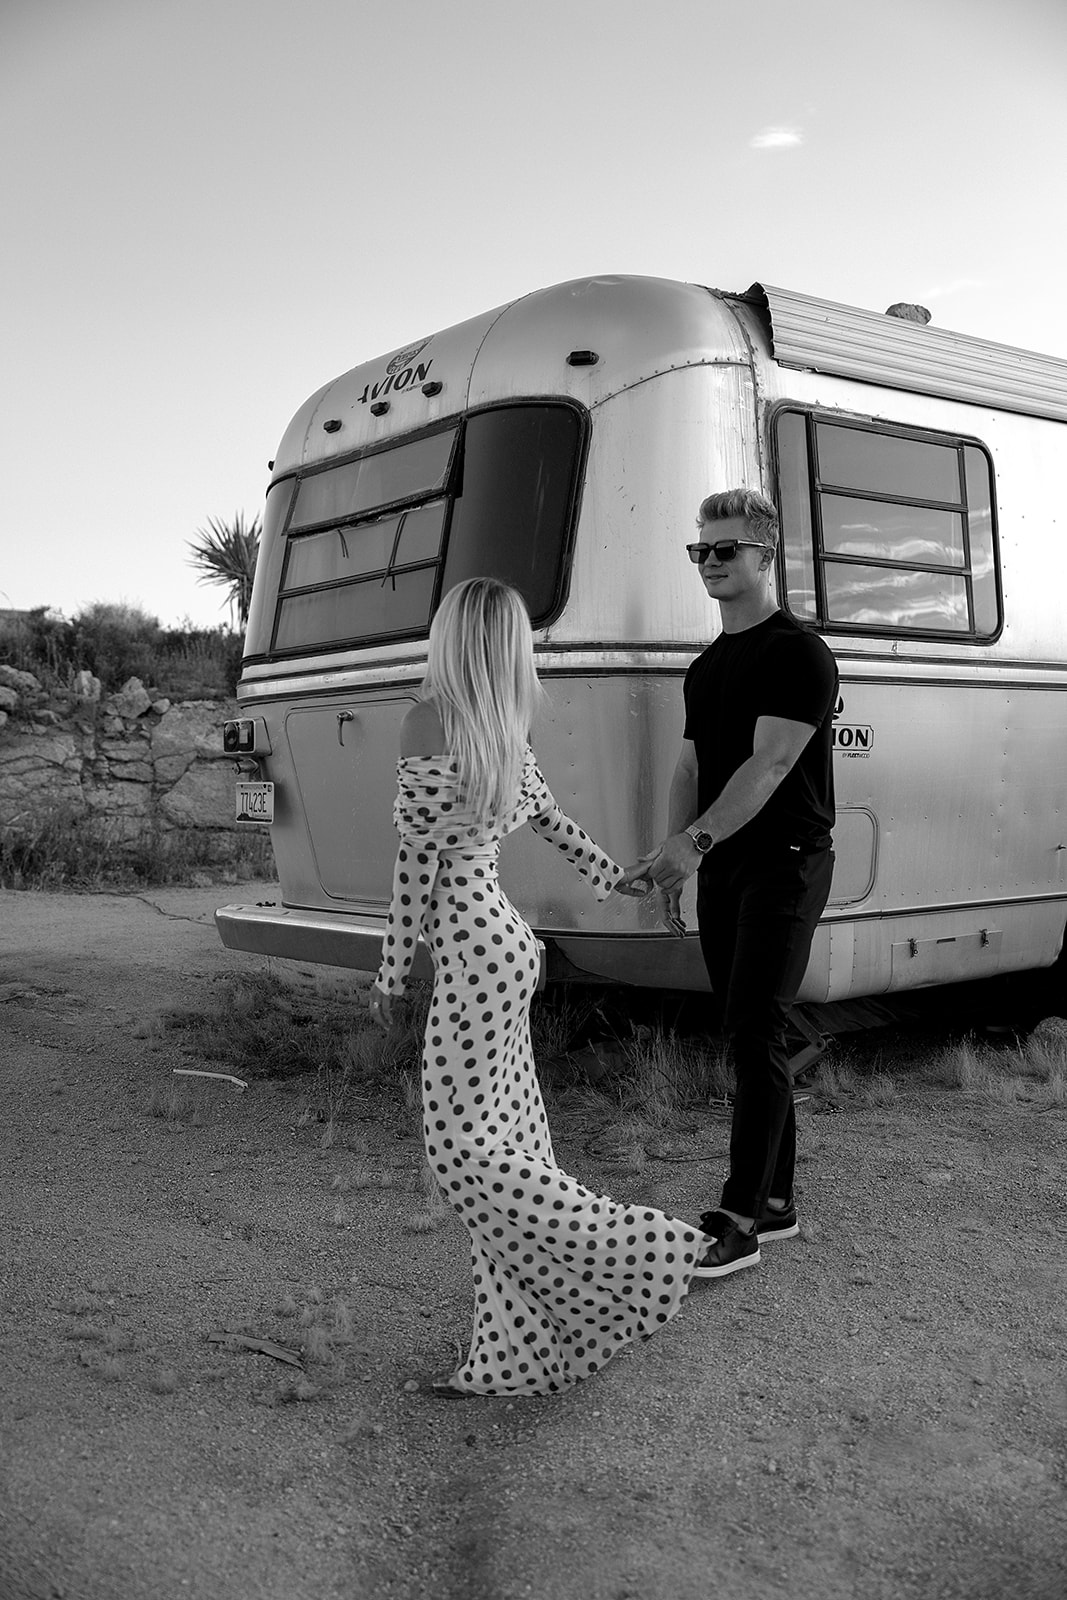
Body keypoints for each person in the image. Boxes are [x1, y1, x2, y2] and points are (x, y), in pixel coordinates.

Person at [368, 577, 709, 1397]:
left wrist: (388, 973)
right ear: (507, 649)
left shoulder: (427, 722)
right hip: (508, 947)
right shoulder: (502, 733)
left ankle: (638, 1246)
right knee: (510, 1141)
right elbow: (556, 825)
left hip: (476, 950)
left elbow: (416, 867)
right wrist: (615, 878)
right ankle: (511, 1359)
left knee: (462, 1156)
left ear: (453, 640)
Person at [622, 489, 838, 1280]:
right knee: (750, 1031)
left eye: (724, 550)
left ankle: (739, 1218)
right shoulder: (707, 665)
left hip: (784, 858)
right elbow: (690, 765)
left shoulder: (799, 654)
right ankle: (776, 1203)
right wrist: (675, 854)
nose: (709, 562)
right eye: (699, 551)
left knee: (753, 1028)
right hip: (726, 865)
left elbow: (771, 762)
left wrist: (697, 839)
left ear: (763, 556)